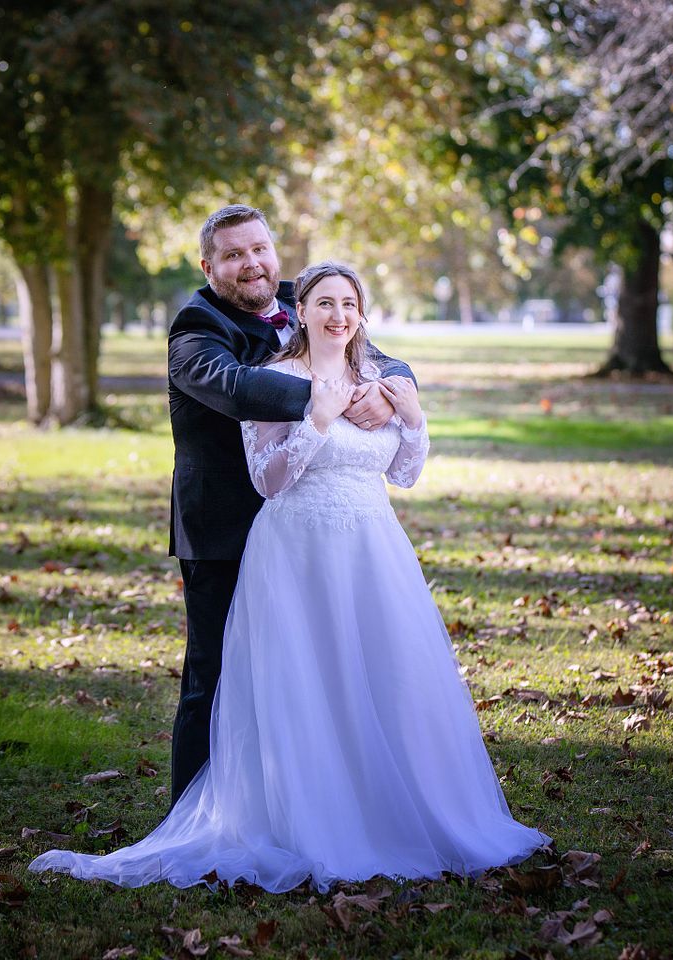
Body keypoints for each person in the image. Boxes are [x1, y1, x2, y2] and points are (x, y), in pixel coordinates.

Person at [28, 261, 548, 891]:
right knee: (308, 678)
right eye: (324, 304)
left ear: (362, 312)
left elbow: (406, 474)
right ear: (299, 312)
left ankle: (391, 805)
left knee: (384, 674)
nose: (338, 316)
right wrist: (319, 417)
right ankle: (308, 817)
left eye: (349, 304)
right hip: (296, 548)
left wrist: (413, 419)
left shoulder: (378, 378)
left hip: (372, 549)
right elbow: (268, 480)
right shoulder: (274, 378)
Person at [161, 205, 414, 806]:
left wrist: (389, 386)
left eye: (259, 249)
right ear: (209, 266)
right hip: (225, 525)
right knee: (216, 678)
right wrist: (340, 395)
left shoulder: (301, 300)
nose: (251, 264)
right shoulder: (194, 329)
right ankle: (195, 815)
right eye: (233, 254)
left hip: (307, 530)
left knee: (314, 670)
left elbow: (381, 355)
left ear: (275, 252)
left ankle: (304, 803)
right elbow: (238, 388)